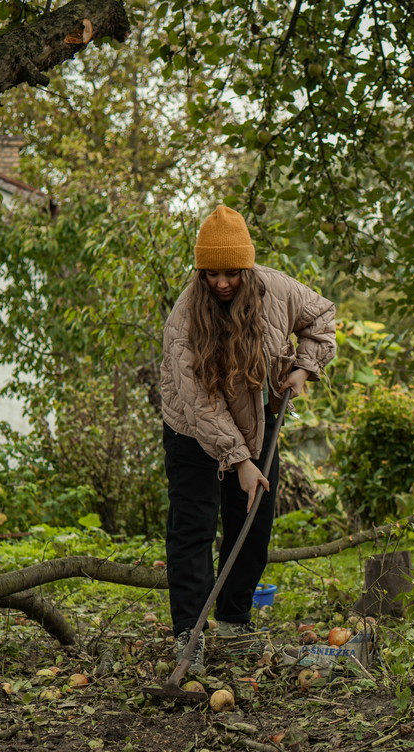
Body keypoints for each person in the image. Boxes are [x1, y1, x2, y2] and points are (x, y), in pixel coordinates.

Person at [160, 205, 336, 673]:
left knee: (252, 525)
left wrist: (303, 367)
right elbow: (200, 402)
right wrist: (238, 460)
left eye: (231, 272)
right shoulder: (185, 319)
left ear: (247, 266)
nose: (221, 282)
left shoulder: (278, 289)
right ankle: (189, 636)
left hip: (257, 426)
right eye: (211, 273)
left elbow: (323, 319)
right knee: (193, 530)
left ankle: (235, 623)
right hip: (192, 432)